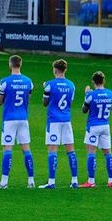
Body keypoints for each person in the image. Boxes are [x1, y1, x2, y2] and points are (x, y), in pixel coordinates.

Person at [0, 55, 35, 189]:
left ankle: (4, 181)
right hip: (23, 118)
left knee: (7, 149)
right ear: (20, 65)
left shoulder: (4, 81)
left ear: (10, 65)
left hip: (9, 119)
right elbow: (27, 100)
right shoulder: (29, 81)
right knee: (26, 149)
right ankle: (31, 181)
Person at [40, 59, 79, 188]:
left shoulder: (49, 85)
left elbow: (45, 103)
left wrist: (46, 91)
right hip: (66, 120)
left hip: (54, 121)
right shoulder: (71, 85)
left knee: (53, 150)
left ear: (55, 70)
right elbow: (70, 103)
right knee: (71, 151)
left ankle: (51, 182)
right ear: (65, 70)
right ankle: (74, 180)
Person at [79, 72, 112, 188]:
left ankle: (91, 181)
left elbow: (84, 110)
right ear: (104, 81)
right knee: (108, 153)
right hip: (105, 126)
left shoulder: (91, 95)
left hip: (93, 126)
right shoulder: (110, 94)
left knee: (91, 153)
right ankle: (111, 180)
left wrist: (86, 95)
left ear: (93, 82)